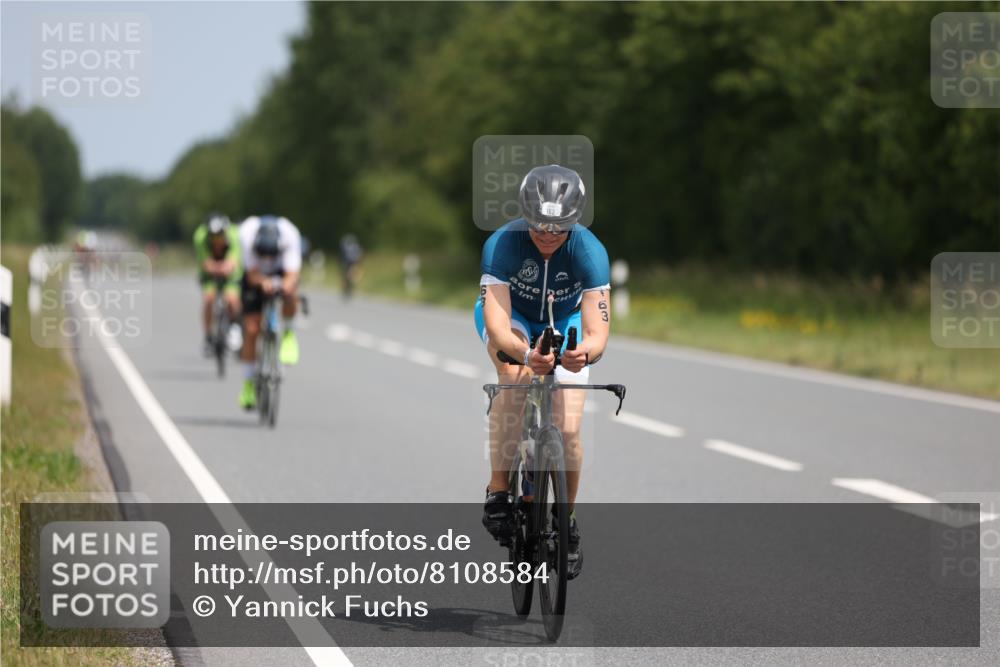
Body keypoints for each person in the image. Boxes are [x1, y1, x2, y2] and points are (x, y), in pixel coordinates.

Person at [474, 164, 611, 580]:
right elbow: (498, 328)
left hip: (564, 320)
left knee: (568, 428)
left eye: (559, 227)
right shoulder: (502, 244)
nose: (548, 235)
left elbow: (597, 334)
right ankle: (499, 489)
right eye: (539, 225)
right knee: (514, 379)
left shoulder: (590, 252)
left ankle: (565, 520)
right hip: (514, 319)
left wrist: (581, 356)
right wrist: (524, 353)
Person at [237, 215, 302, 409]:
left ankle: (289, 334)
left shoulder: (291, 235)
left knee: (291, 295)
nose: (267, 259)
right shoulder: (246, 234)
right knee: (251, 329)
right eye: (263, 254)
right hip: (255, 276)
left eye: (271, 255)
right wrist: (262, 282)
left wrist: (282, 286)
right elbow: (251, 273)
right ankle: (248, 383)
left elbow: (292, 275)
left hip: (282, 272)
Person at [192, 214, 242, 356]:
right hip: (210, 272)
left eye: (220, 236)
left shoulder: (234, 234)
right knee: (209, 299)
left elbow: (234, 260)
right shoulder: (200, 237)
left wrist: (227, 267)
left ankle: (234, 326)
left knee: (232, 299)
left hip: (230, 272)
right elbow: (205, 262)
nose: (217, 239)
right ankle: (208, 336)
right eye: (213, 236)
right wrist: (214, 268)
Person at [339, 233, 363, 299]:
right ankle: (348, 291)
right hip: (352, 263)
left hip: (348, 263)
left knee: (346, 278)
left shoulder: (346, 246)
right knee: (350, 278)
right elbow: (359, 256)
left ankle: (346, 291)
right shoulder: (357, 247)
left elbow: (342, 256)